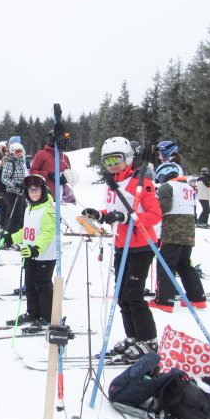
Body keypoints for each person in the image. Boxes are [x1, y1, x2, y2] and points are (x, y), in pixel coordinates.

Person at [82, 136, 161, 361]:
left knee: (133, 295)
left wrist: (126, 218)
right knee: (122, 296)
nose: (112, 165)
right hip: (121, 244)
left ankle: (148, 340)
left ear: (127, 159)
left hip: (141, 246)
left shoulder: (141, 184)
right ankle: (134, 336)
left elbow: (155, 216)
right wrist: (100, 215)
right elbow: (113, 211)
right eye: (107, 161)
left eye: (116, 159)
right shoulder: (112, 185)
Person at [147, 162, 206, 313]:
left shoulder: (167, 186)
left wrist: (151, 208)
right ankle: (197, 298)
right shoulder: (188, 187)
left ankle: (164, 300)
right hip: (188, 230)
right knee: (184, 264)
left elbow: (164, 207)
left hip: (172, 230)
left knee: (165, 264)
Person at [3, 174, 57, 326]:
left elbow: (48, 233)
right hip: (29, 255)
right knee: (30, 285)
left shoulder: (49, 209)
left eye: (37, 189)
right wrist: (12, 238)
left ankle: (46, 317)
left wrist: (36, 248)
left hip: (44, 255)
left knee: (42, 285)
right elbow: (27, 231)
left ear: (43, 190)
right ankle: (32, 313)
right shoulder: (29, 208)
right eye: (30, 190)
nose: (33, 192)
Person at [30, 129, 76, 204]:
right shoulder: (41, 154)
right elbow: (32, 172)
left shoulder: (64, 157)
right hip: (44, 195)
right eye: (61, 140)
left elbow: (69, 174)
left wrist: (66, 179)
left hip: (60, 196)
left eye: (64, 140)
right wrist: (48, 175)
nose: (63, 143)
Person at [0, 142, 27, 249]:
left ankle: (16, 237)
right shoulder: (10, 163)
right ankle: (8, 239)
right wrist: (15, 184)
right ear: (12, 152)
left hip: (20, 192)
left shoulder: (21, 162)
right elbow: (4, 178)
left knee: (22, 214)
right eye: (17, 151)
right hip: (12, 193)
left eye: (21, 151)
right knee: (14, 216)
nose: (19, 153)